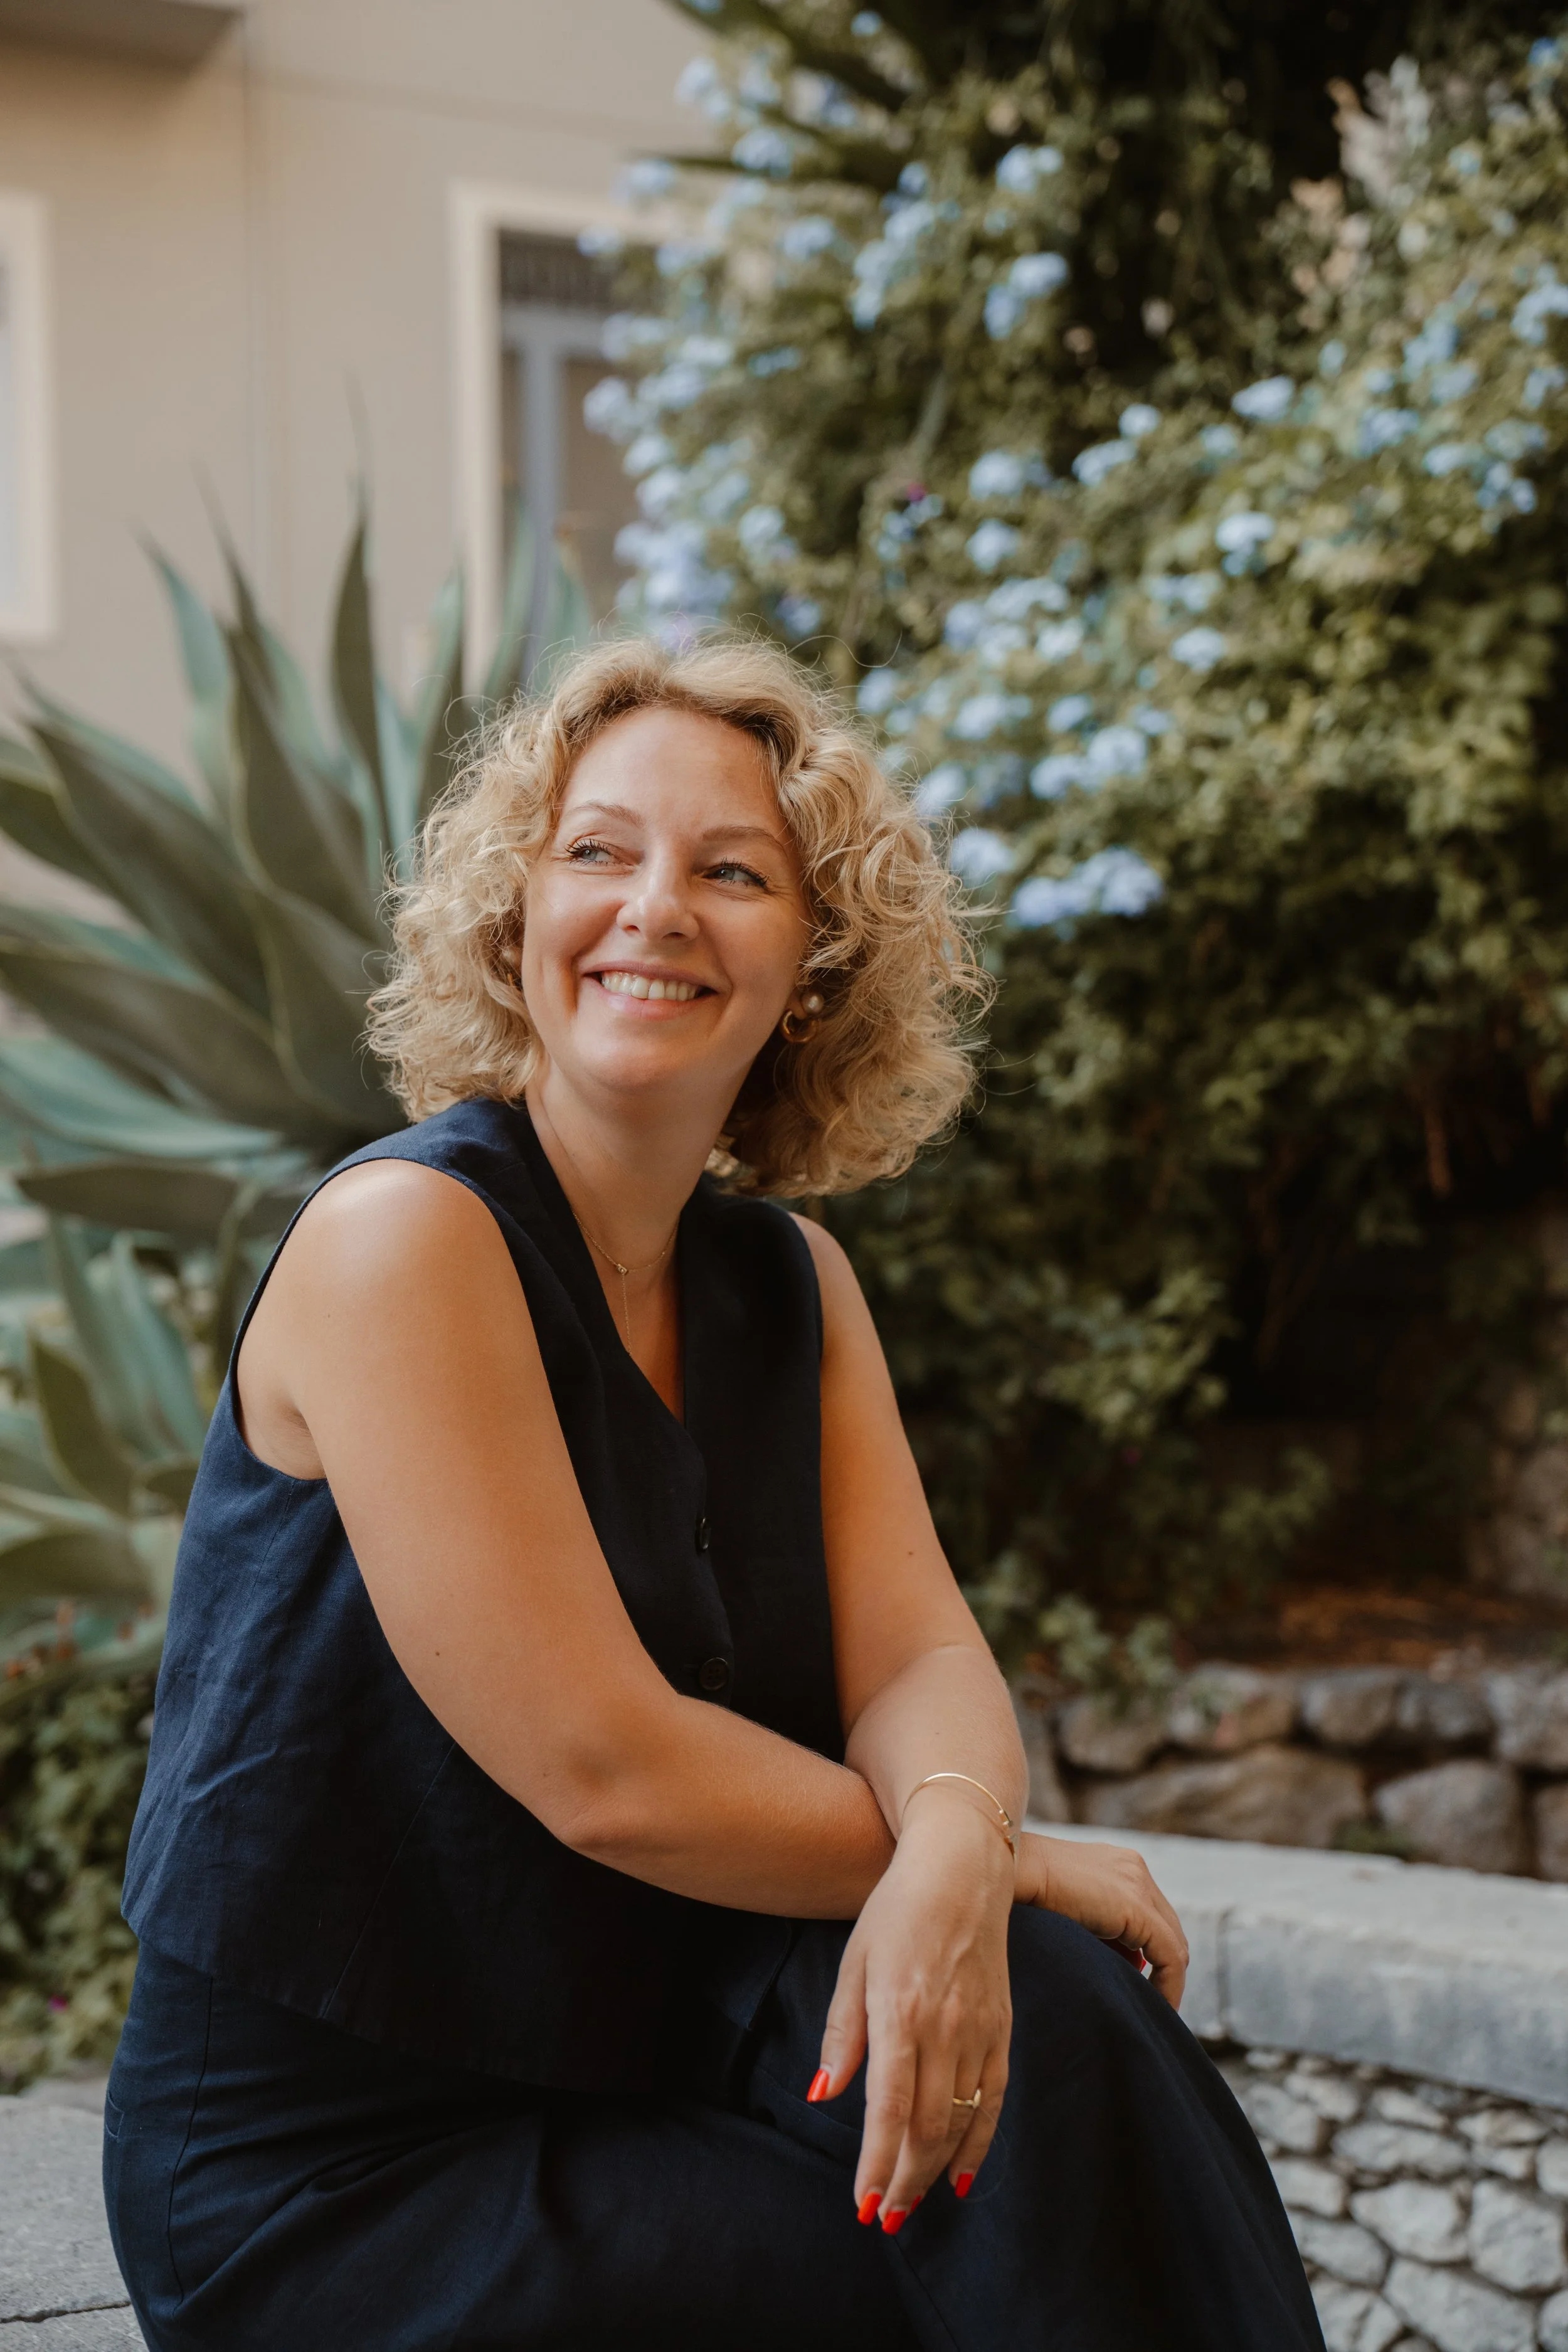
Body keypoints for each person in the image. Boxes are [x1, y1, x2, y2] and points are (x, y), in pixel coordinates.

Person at [104, 636, 1325, 2351]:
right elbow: (606, 1768)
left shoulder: (789, 1279)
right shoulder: (406, 1242)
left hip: (637, 2062)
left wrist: (963, 1852)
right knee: (912, 2267)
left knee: (1041, 2033)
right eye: (597, 849)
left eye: (732, 871)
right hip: (344, 2179)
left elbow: (918, 1661)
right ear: (511, 914)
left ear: (812, 967)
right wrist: (1012, 1861)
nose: (654, 906)